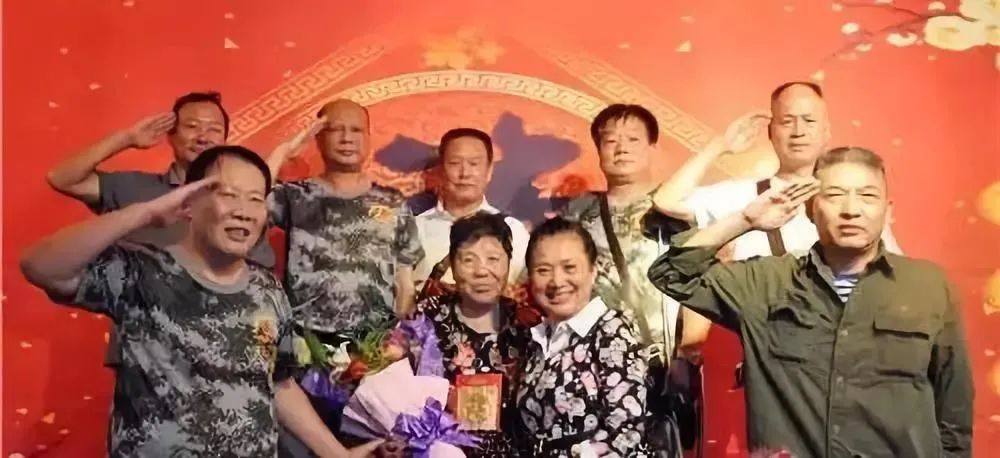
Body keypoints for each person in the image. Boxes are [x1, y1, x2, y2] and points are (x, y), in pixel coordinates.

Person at [21, 146, 379, 457]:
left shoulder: (267, 290)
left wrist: (338, 454)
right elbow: (41, 267)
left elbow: (279, 384)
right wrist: (142, 213)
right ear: (189, 203)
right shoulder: (142, 273)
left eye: (255, 199)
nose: (243, 211)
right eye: (229, 195)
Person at [648, 147, 973, 457]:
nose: (851, 209)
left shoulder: (928, 286)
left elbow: (953, 408)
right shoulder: (765, 284)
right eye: (834, 195)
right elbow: (671, 273)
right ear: (809, 209)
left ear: (888, 211)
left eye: (867, 196)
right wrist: (744, 220)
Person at [45, 92, 275, 370]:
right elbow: (62, 178)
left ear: (225, 139)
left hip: (224, 350)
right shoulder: (133, 188)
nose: (203, 137)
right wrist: (126, 139)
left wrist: (266, 355)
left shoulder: (242, 208)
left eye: (214, 129)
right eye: (192, 127)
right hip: (147, 355)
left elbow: (261, 281)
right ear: (171, 134)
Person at [266, 99, 424, 453]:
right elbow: (244, 200)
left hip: (371, 360)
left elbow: (404, 284)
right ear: (319, 139)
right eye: (336, 129)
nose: (347, 138)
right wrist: (284, 151)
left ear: (368, 138)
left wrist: (398, 349)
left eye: (356, 130)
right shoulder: (296, 196)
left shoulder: (392, 202)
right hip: (307, 358)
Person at [515, 217, 649, 458]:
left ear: (593, 271)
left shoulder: (610, 332)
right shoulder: (536, 341)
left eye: (569, 268)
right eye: (543, 270)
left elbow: (625, 428)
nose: (557, 281)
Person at [411, 211, 531, 457]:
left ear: (509, 263)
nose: (481, 271)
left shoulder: (525, 324)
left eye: (493, 259)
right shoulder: (429, 316)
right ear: (453, 266)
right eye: (468, 260)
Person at [412, 128, 530, 293]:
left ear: (489, 171)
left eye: (474, 164)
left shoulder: (514, 231)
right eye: (455, 163)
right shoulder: (413, 229)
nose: (465, 173)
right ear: (440, 170)